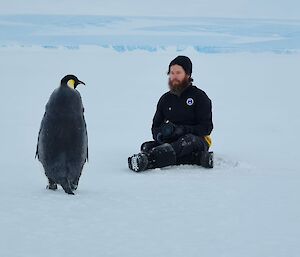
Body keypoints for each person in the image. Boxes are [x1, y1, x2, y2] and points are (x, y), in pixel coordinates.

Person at [128, 56, 213, 172]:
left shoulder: (199, 97)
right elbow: (155, 126)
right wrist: (160, 135)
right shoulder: (165, 99)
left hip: (197, 140)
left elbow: (206, 128)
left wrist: (183, 130)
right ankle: (197, 158)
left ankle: (146, 161)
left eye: (178, 72)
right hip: (173, 141)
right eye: (172, 73)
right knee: (146, 146)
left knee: (186, 141)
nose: (174, 76)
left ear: (187, 74)